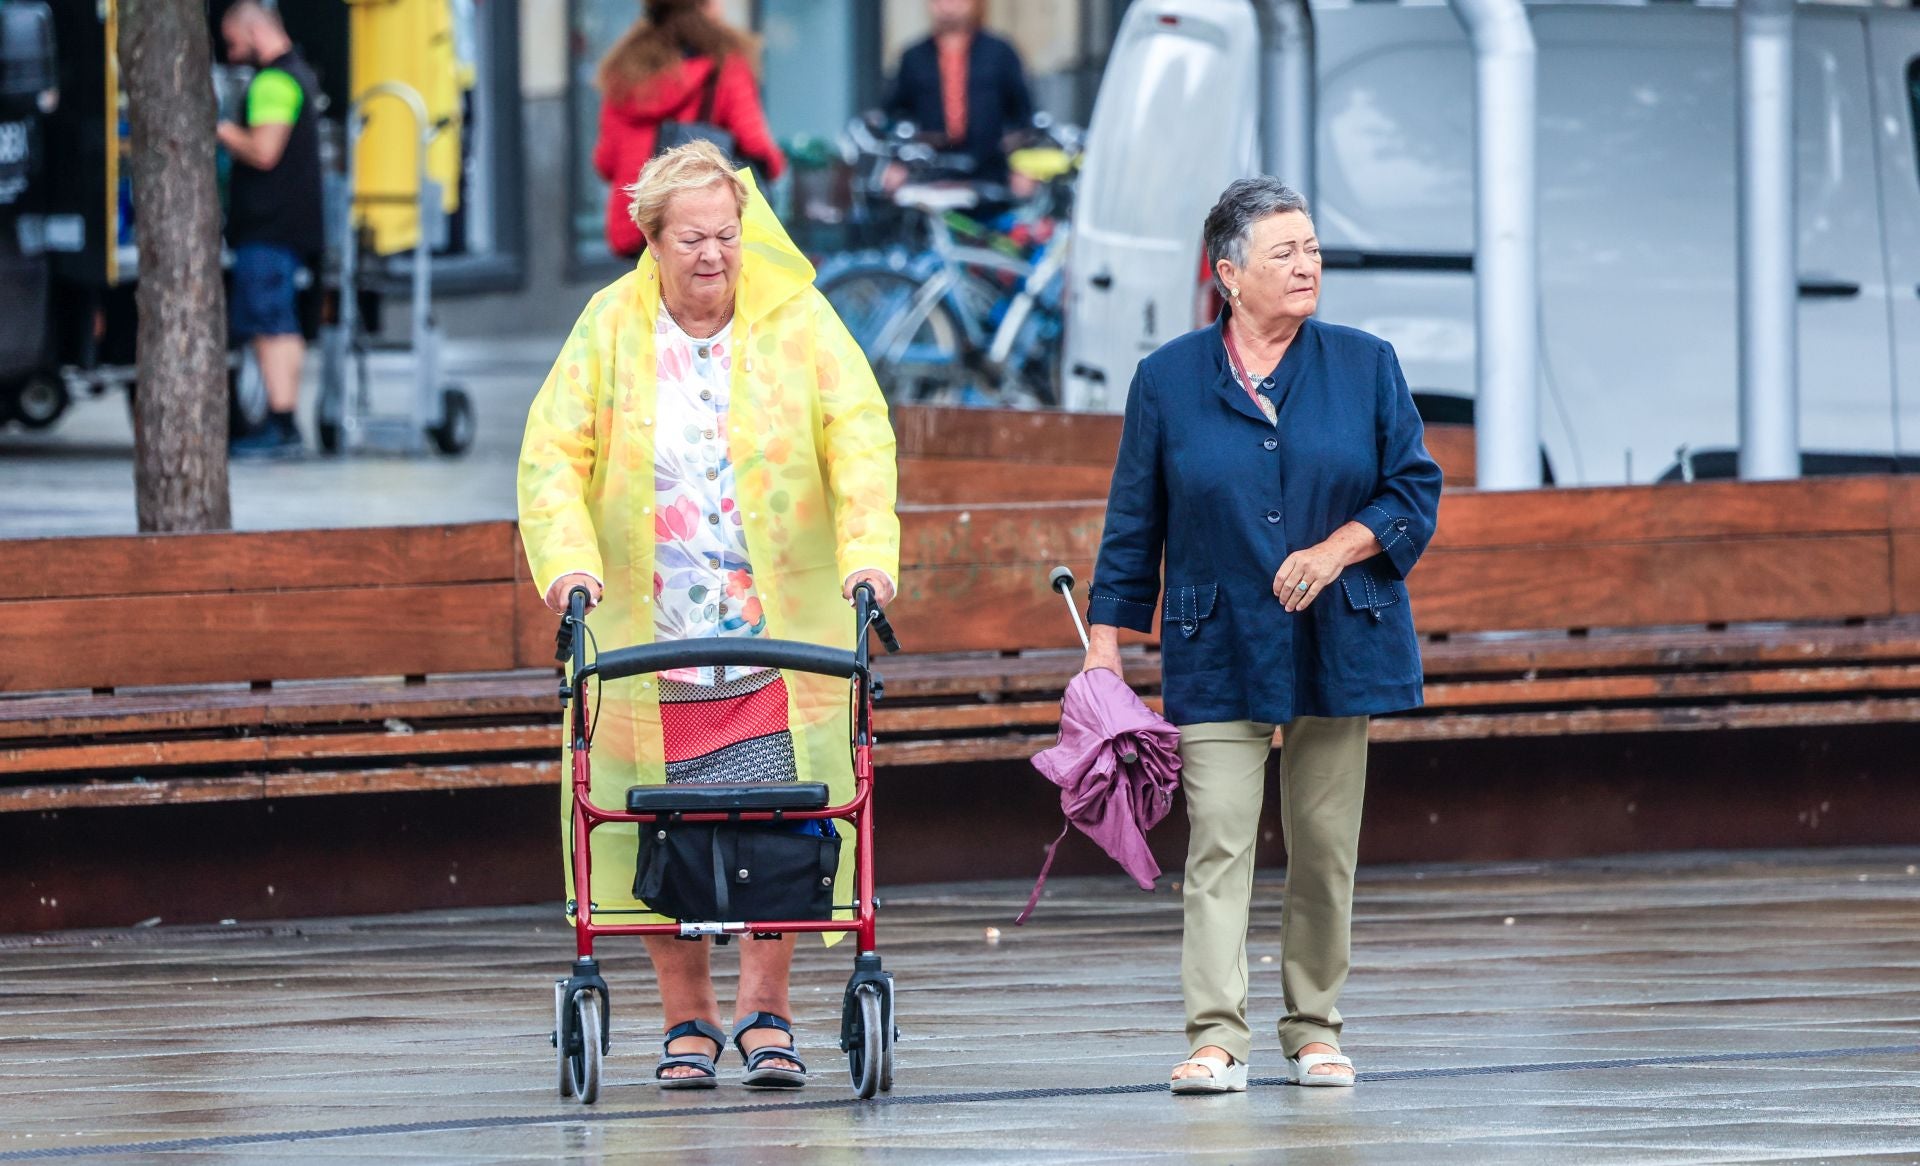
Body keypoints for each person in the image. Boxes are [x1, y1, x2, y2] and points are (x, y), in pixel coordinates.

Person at [517, 140, 898, 1089]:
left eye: (728, 235)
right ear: (652, 238)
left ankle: (765, 1014)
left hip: (776, 629)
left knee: (779, 822)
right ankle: (686, 1021)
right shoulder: (609, 327)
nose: (714, 256)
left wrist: (868, 554)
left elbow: (858, 438)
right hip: (651, 632)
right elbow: (552, 456)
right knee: (658, 828)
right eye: (692, 238)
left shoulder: (798, 321)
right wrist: (567, 565)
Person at [1082, 177, 1442, 1094]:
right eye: (1285, 252)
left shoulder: (1367, 364)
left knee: (1325, 845)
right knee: (1221, 843)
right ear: (1228, 275)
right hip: (1217, 637)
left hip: (1340, 637)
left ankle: (1314, 1028)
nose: (1307, 265)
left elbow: (1412, 492)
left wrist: (1336, 550)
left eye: (1312, 249)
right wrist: (1105, 645)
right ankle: (1216, 1037)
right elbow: (1135, 522)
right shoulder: (1166, 379)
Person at [593, 0, 786, 260]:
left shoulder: (622, 72)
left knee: (649, 299)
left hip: (640, 225)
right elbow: (755, 144)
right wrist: (776, 166)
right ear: (703, 7)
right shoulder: (724, 65)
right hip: (700, 227)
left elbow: (605, 162)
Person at [216, 1, 323, 459]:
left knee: (271, 322)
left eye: (232, 41)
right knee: (275, 321)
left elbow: (263, 150)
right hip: (283, 227)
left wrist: (217, 129)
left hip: (271, 227)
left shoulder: (275, 81)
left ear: (255, 32)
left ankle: (281, 426)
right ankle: (282, 424)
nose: (230, 51)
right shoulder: (297, 74)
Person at [884, 0, 1033, 187]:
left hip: (990, 172)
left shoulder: (1000, 53)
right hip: (929, 172)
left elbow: (1022, 116)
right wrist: (897, 163)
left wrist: (1023, 167)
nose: (948, 7)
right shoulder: (914, 57)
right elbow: (895, 116)